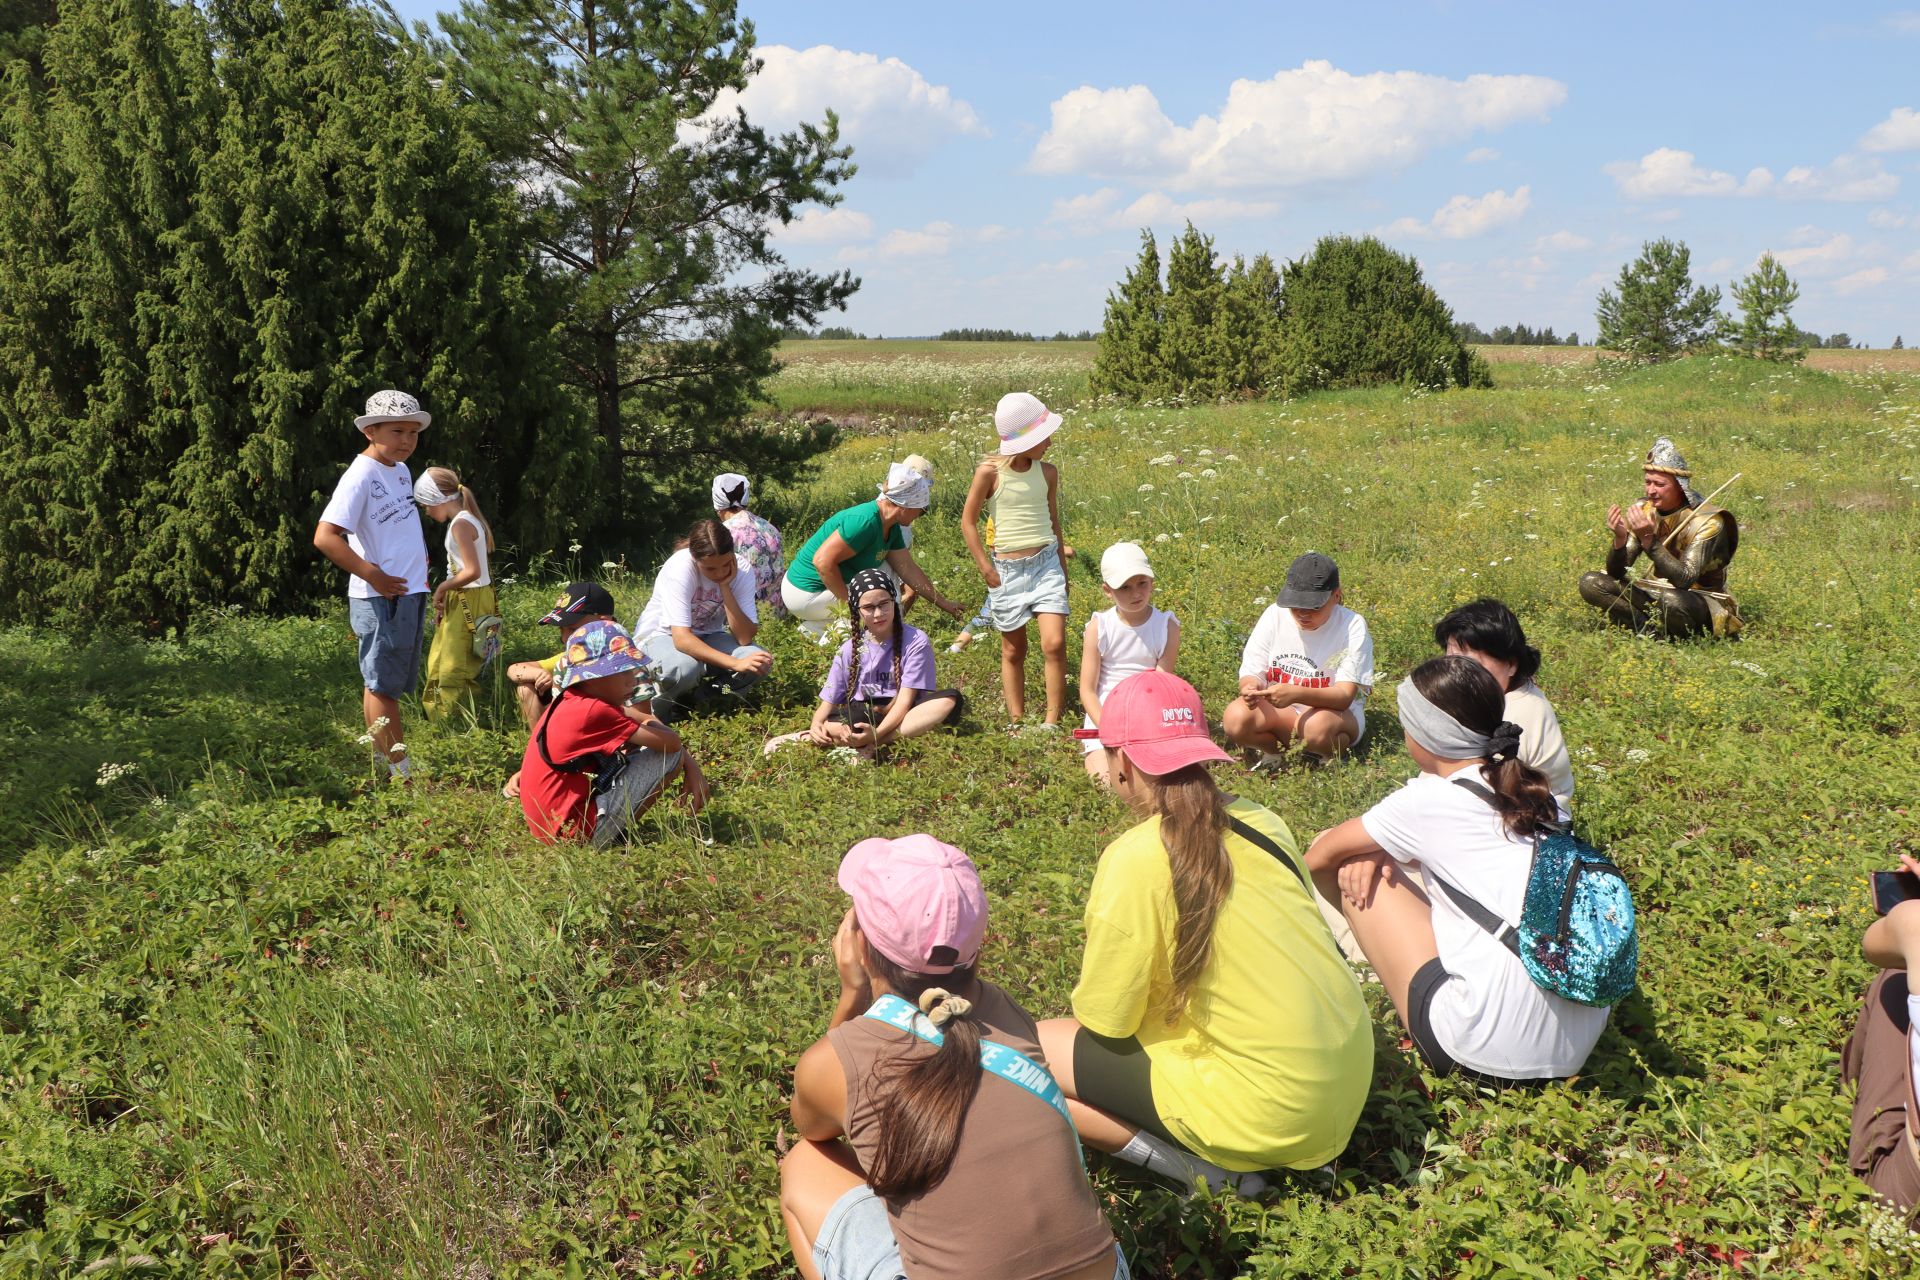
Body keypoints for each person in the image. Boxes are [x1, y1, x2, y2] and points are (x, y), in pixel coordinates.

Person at [1035, 671, 1373, 1196]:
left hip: (1273, 1115)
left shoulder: (1134, 858)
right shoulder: (1264, 819)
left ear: (1122, 762)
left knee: (1025, 1054)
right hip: (1348, 1082)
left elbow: (1108, 1021)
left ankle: (1217, 1178)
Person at [779, 834, 1126, 1280]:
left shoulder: (835, 1061)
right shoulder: (1007, 1014)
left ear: (859, 947)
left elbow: (816, 1126)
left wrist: (852, 995)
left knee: (805, 1163)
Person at [1305, 656, 1609, 1084]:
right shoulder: (1540, 796)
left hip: (1477, 1050)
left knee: (1347, 861)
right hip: (1579, 1045)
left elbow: (1318, 858)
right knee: (1386, 860)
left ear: (1423, 736)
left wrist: (1369, 854)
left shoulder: (1426, 804)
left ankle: (1369, 964)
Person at [313, 389, 433, 779]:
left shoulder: (399, 471)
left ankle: (384, 759)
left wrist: (418, 558)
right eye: (397, 431)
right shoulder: (361, 475)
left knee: (385, 684)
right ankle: (402, 772)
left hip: (407, 591)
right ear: (371, 431)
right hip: (384, 597)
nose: (407, 441)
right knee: (383, 687)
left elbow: (393, 525)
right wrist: (373, 575)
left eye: (413, 433)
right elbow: (325, 536)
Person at [519, 620, 709, 846]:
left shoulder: (571, 701)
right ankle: (614, 837)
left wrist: (634, 715)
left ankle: (607, 829)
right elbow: (672, 744)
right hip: (573, 835)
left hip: (548, 828)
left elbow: (642, 722)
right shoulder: (595, 711)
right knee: (669, 758)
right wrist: (687, 762)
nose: (632, 680)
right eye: (622, 672)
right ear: (593, 676)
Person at [762, 570, 963, 759]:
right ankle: (812, 737)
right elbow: (829, 701)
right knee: (849, 720)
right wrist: (816, 723)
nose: (878, 614)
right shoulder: (849, 648)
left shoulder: (916, 641)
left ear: (895, 602)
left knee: (950, 700)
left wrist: (876, 733)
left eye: (884, 604)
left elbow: (904, 701)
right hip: (863, 712)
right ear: (857, 610)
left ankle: (872, 742)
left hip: (903, 712)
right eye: (868, 607)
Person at [961, 392, 1071, 729]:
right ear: (1024, 440)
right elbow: (968, 521)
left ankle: (1051, 722)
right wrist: (985, 567)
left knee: (1054, 642)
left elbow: (1054, 522)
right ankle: (1017, 721)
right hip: (1006, 572)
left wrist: (1063, 572)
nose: (1050, 443)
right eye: (1043, 437)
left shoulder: (1048, 473)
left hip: (1046, 565)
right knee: (1013, 650)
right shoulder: (989, 473)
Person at [1577, 437, 1740, 638]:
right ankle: (1647, 629)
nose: (1650, 491)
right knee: (1591, 582)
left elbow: (1685, 579)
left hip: (1701, 601)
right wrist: (1619, 540)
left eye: (1659, 484)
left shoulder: (1709, 521)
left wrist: (1649, 541)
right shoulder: (1646, 509)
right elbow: (1617, 572)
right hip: (1658, 592)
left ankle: (1684, 636)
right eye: (1648, 482)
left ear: (1680, 486)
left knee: (1671, 600)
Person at [1223, 552, 1374, 768]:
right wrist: (1250, 686)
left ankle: (1328, 755)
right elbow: (1252, 670)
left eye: (1314, 607)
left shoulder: (1352, 625)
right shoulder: (1274, 615)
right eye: (1295, 605)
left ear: (1336, 596)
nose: (1302, 614)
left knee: (1317, 727)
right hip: (1282, 711)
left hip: (1332, 716)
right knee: (1235, 717)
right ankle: (1275, 754)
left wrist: (1297, 693)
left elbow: (1343, 697)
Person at [781, 463, 964, 637]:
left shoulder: (891, 525)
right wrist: (854, 609)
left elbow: (907, 569)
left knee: (883, 581)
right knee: (874, 601)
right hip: (806, 591)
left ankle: (815, 629)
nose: (921, 515)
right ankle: (837, 640)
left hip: (821, 590)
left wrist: (945, 604)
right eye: (922, 509)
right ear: (906, 505)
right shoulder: (864, 521)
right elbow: (822, 561)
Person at [1433, 599, 1574, 811]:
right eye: (1452, 660)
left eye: (1472, 664)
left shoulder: (1515, 712)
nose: (1458, 673)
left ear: (1511, 664)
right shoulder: (1497, 695)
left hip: (1525, 826)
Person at [632, 517, 773, 719]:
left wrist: (725, 588)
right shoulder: (680, 567)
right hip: (662, 636)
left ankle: (707, 700)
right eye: (710, 569)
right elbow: (681, 639)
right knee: (684, 669)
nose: (720, 573)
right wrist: (733, 663)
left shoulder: (742, 571)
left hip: (709, 635)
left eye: (725, 564)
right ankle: (655, 713)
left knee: (759, 661)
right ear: (694, 559)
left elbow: (744, 638)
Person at [1844, 855, 1920, 1223]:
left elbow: (1874, 945)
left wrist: (1910, 906)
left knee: (1894, 977)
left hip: (1912, 1195)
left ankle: (1866, 1145)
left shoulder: (1916, 923)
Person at [502, 581, 617, 800]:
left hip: (606, 742)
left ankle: (550, 766)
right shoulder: (568, 658)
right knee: (526, 689)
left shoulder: (620, 662)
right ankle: (540, 759)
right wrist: (538, 674)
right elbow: (513, 669)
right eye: (562, 630)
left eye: (573, 629)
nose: (565, 638)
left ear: (604, 622)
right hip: (571, 739)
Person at [1079, 542, 1180, 785]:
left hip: (1149, 716)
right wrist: (1109, 728)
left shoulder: (1167, 626)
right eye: (1124, 587)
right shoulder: (1099, 627)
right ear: (1107, 590)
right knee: (1109, 782)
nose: (1135, 594)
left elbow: (1162, 684)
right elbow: (1087, 689)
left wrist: (1145, 726)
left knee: (1159, 781)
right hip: (1105, 716)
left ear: (1151, 583)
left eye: (1142, 583)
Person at [414, 466, 499, 722]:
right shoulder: (468, 519)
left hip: (467, 599)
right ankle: (456, 714)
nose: (427, 512)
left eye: (427, 505)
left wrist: (441, 588)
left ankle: (446, 721)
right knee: (457, 656)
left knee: (453, 663)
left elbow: (471, 571)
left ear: (438, 500)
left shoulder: (460, 524)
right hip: (472, 597)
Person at [713, 471, 788, 619]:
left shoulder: (725, 534)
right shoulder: (768, 526)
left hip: (746, 617)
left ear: (717, 503)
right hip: (778, 612)